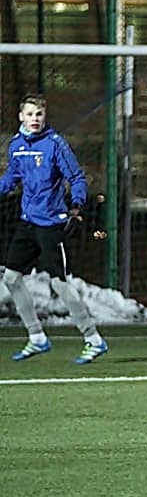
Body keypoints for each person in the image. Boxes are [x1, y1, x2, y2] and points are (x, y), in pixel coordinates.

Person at [1, 93, 108, 364]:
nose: (35, 119)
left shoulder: (55, 144)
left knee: (58, 283)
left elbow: (76, 177)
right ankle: (37, 337)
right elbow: (12, 177)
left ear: (44, 116)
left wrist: (77, 205)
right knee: (11, 278)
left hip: (51, 223)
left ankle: (93, 339)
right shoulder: (17, 145)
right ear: (21, 117)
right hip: (28, 221)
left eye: (39, 114)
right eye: (30, 114)